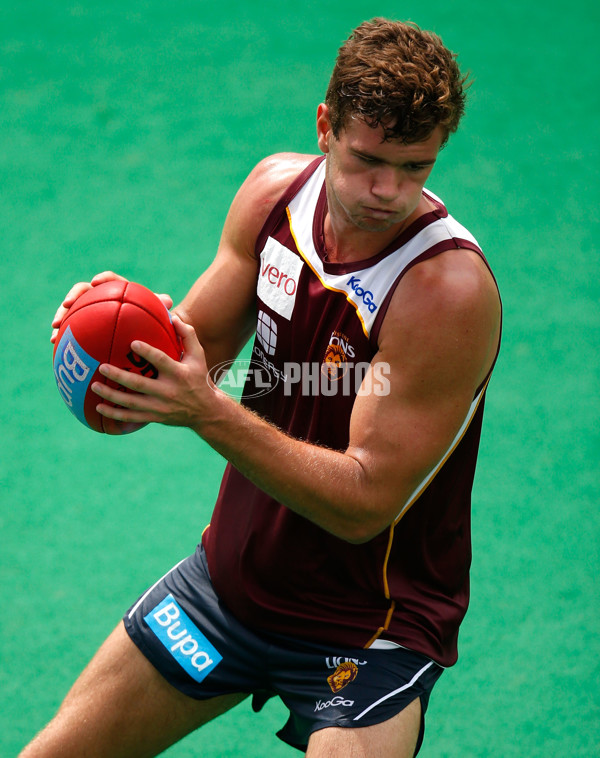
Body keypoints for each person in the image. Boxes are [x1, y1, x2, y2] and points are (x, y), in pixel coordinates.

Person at [24, 18, 501, 758]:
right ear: (324, 126)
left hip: (366, 631)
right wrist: (111, 333)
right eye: (369, 160)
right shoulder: (275, 198)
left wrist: (207, 411)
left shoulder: (444, 291)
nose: (388, 191)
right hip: (231, 587)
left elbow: (363, 505)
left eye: (415, 167)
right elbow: (186, 356)